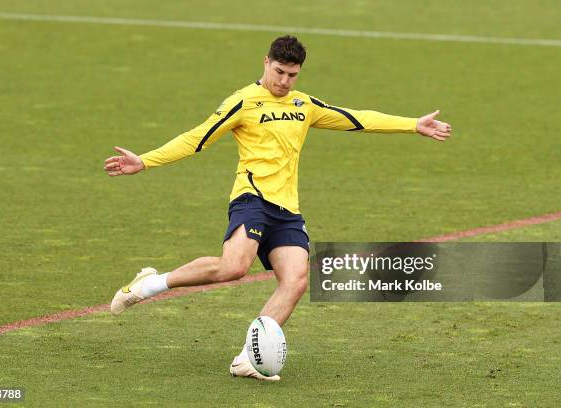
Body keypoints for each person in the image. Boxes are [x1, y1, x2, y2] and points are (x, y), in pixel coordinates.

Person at [103, 35, 451, 381]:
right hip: (252, 199)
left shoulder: (304, 105)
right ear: (265, 62)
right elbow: (197, 137)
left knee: (296, 281)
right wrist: (145, 161)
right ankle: (150, 284)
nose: (284, 81)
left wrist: (412, 125)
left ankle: (246, 359)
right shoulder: (244, 102)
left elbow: (356, 118)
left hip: (287, 211)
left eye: (292, 75)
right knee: (233, 267)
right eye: (279, 72)